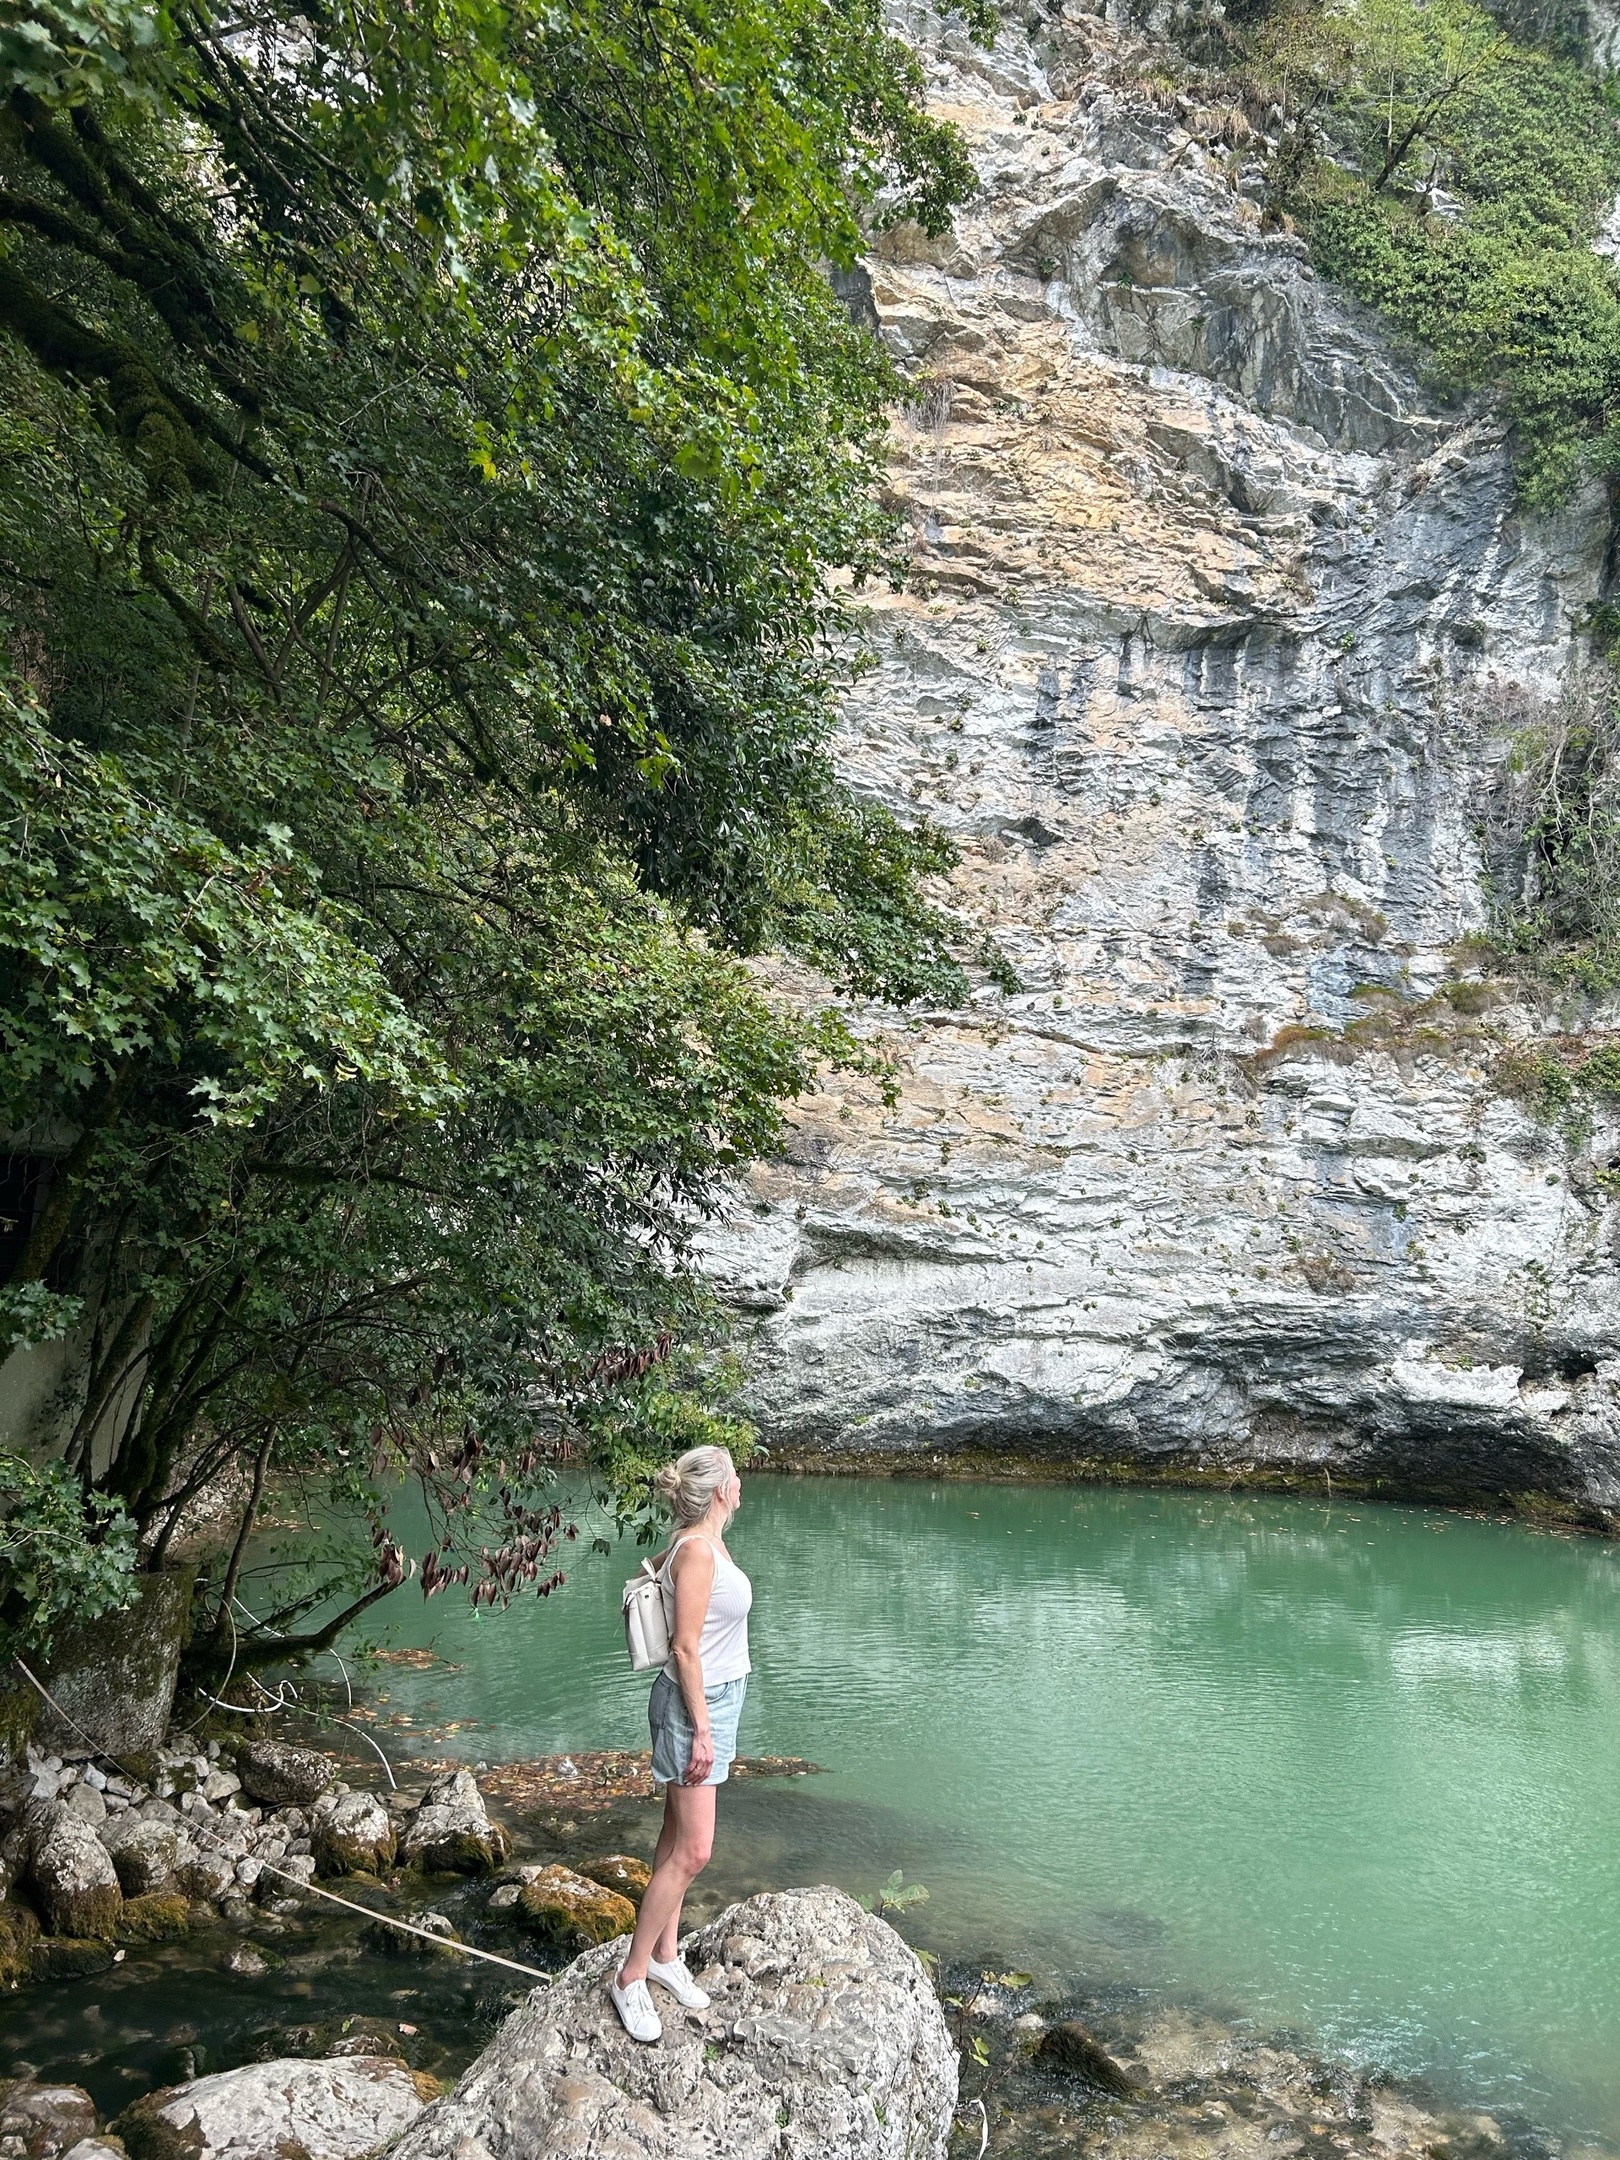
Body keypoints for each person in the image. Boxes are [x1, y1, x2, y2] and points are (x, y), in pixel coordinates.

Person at [610, 1443, 751, 2044]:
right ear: (719, 1490)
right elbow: (685, 1648)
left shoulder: (698, 1543)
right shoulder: (696, 1551)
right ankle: (630, 1975)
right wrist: (703, 1729)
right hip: (697, 1706)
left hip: (711, 1700)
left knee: (673, 1836)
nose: (743, 1484)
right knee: (695, 1852)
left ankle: (666, 1956)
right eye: (736, 1476)